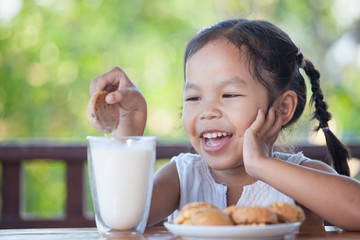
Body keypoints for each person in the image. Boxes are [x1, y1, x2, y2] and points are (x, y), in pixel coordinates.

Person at [88, 18, 360, 231]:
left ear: (282, 107)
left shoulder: (300, 177)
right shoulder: (182, 177)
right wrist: (129, 128)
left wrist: (261, 164)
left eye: (228, 95)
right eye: (193, 97)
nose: (207, 111)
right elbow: (121, 217)